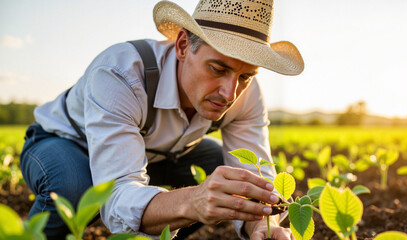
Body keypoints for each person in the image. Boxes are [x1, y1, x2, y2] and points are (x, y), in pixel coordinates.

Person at [20, 0, 304, 239]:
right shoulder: (121, 74)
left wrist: (261, 227)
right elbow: (115, 194)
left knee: (231, 178)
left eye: (245, 76)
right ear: (182, 45)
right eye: (218, 69)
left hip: (157, 155)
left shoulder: (247, 93)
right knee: (73, 188)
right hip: (66, 143)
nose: (230, 93)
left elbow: (254, 177)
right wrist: (193, 201)